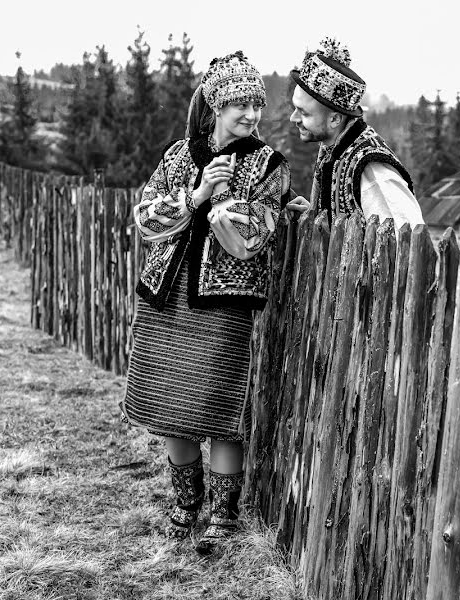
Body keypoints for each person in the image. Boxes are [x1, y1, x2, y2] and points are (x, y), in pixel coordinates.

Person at [121, 51, 290, 554]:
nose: (251, 116)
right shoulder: (177, 156)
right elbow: (146, 219)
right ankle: (185, 501)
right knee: (170, 407)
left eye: (257, 106)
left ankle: (222, 512)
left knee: (218, 409)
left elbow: (258, 232)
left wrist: (224, 206)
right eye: (240, 105)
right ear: (216, 105)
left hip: (225, 303)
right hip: (166, 299)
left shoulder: (267, 163)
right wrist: (195, 197)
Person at [287, 38, 424, 227]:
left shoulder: (373, 171)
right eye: (295, 108)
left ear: (335, 119)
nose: (293, 118)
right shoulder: (333, 149)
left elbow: (408, 237)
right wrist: (316, 215)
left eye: (304, 113)